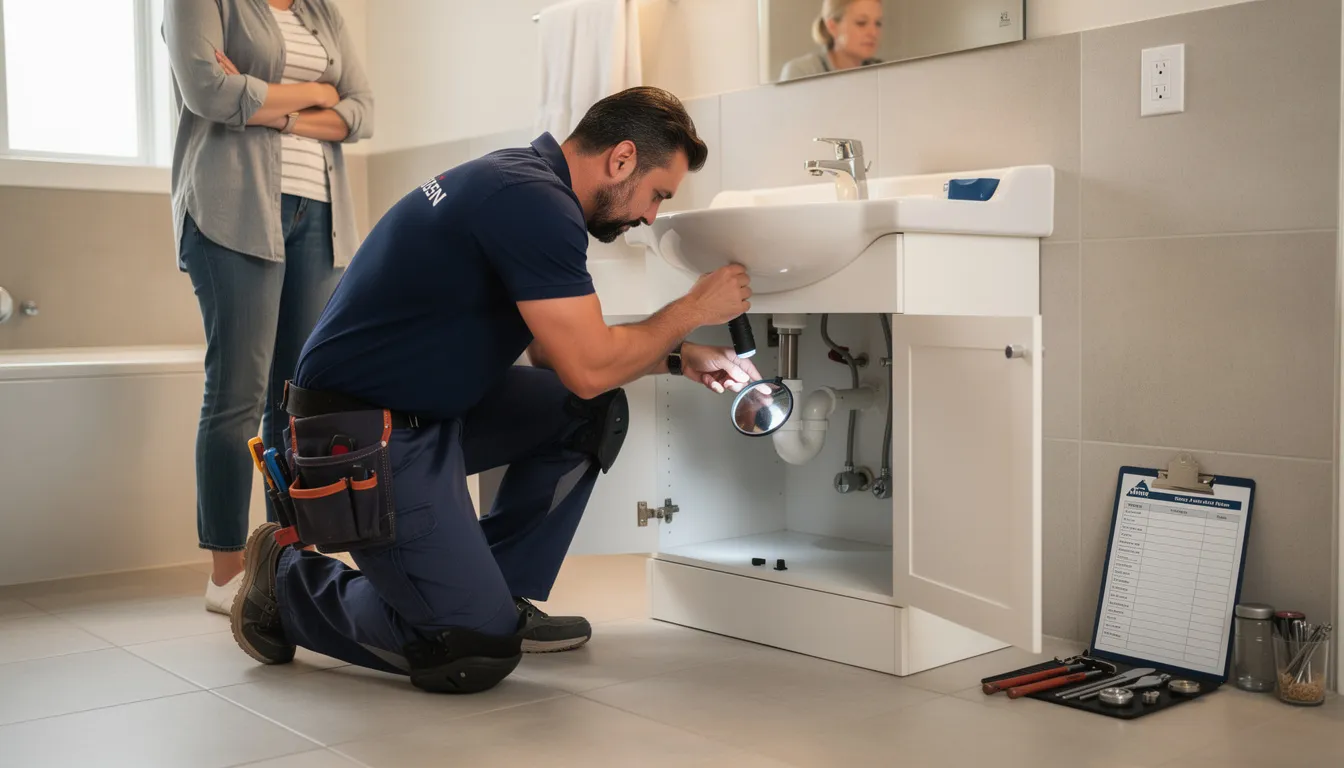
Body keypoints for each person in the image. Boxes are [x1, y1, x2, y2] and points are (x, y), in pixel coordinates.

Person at [227, 87, 761, 694]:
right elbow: (586, 365)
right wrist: (692, 308)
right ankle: (289, 581)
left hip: (421, 417)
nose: (650, 216)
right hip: (358, 438)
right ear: (621, 159)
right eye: (657, 193)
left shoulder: (522, 184)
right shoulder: (535, 203)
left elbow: (558, 362)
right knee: (470, 651)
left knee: (589, 410)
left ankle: (498, 594)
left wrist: (672, 357)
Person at [162, 0, 373, 614]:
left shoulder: (322, 12)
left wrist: (269, 106)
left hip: (320, 214)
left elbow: (360, 111)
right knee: (238, 394)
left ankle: (286, 563)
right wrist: (314, 91)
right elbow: (208, 92)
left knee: (295, 400)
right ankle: (227, 573)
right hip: (231, 211)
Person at [780, 0, 884, 81]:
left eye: (878, 23)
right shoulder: (801, 73)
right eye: (861, 23)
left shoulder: (885, 73)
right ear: (832, 26)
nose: (873, 33)